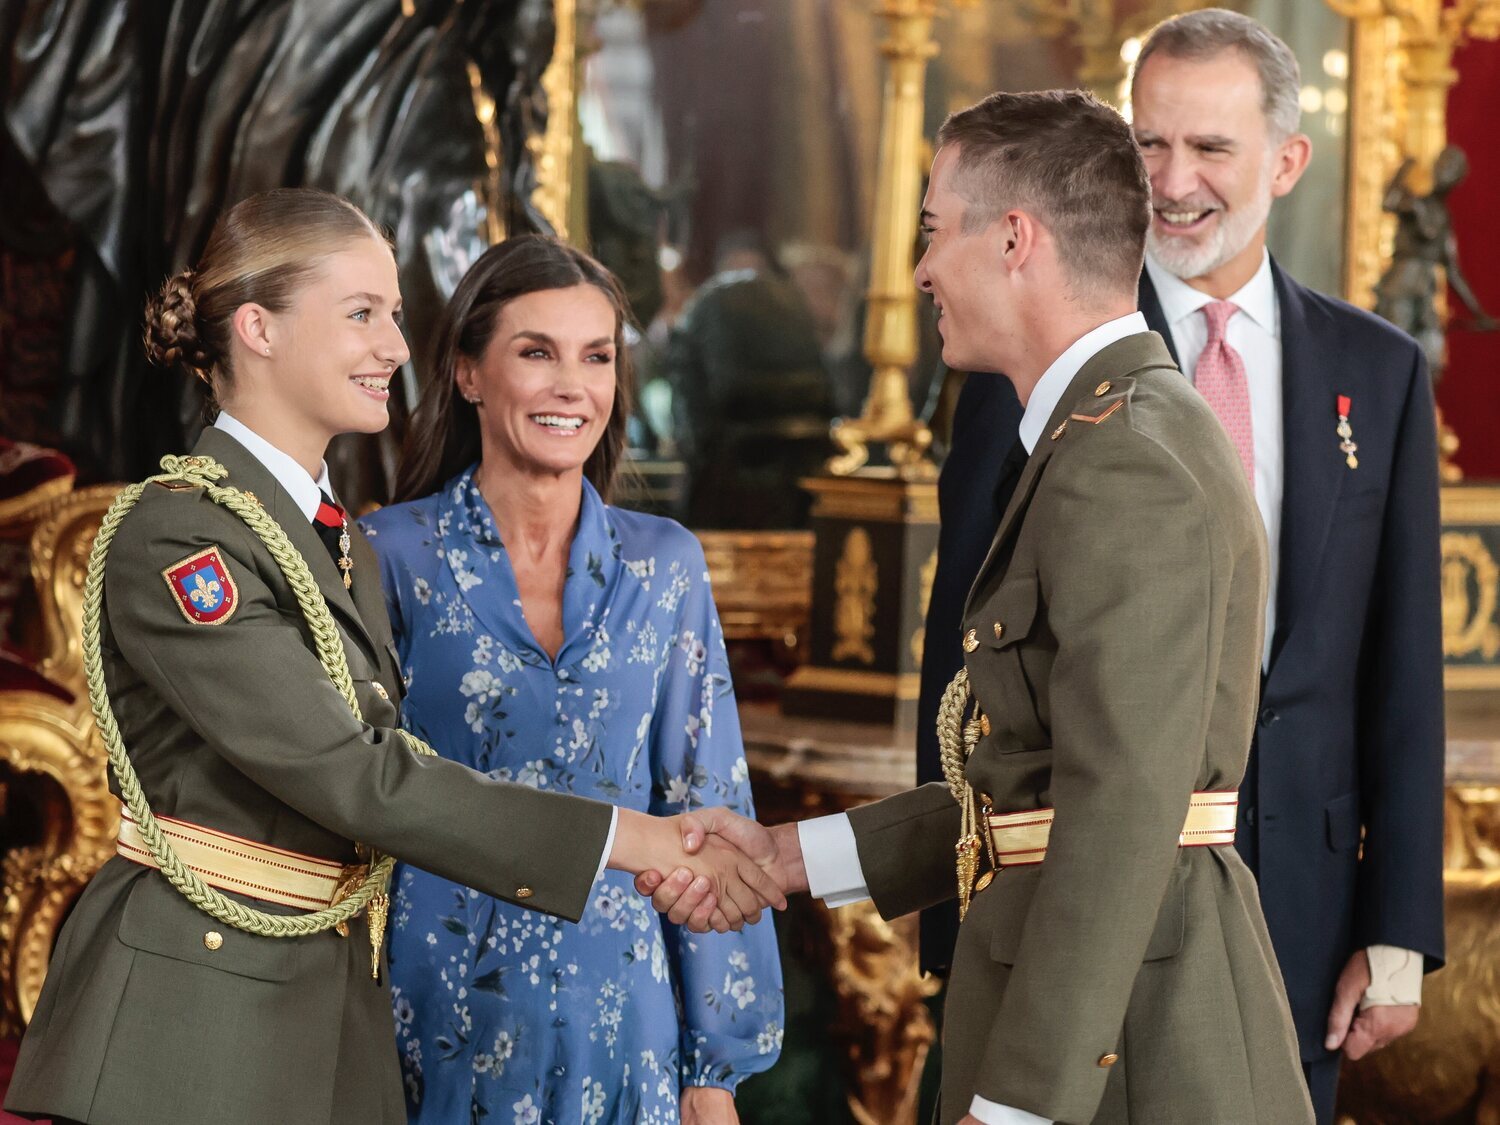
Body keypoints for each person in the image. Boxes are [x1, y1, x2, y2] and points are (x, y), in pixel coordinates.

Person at [3, 188, 783, 1125]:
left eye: (397, 318)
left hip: (337, 1010)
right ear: (257, 328)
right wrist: (642, 839)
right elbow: (356, 776)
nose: (395, 348)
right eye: (363, 314)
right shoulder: (183, 538)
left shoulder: (323, 538)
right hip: (204, 1026)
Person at [646, 89, 1314, 1125]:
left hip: (1133, 1050)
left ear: (1014, 239)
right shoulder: (1101, 435)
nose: (918, 271)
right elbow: (1030, 784)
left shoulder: (1124, 456)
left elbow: (1123, 805)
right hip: (1114, 1021)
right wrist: (790, 858)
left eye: (931, 231)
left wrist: (1024, 1105)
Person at [911, 12, 1446, 1122]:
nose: (1172, 179)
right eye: (1148, 144)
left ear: (1287, 161)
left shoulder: (1378, 371)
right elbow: (964, 658)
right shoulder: (1022, 358)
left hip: (1294, 904)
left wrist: (1398, 921)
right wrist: (953, 902)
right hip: (1059, 904)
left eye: (1210, 148)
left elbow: (1401, 664)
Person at [360, 235, 783, 1124]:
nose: (572, 385)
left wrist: (715, 1071)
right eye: (536, 352)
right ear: (470, 374)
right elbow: (359, 793)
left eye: (597, 357)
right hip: (429, 1015)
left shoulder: (667, 565)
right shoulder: (389, 555)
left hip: (622, 1019)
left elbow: (708, 803)